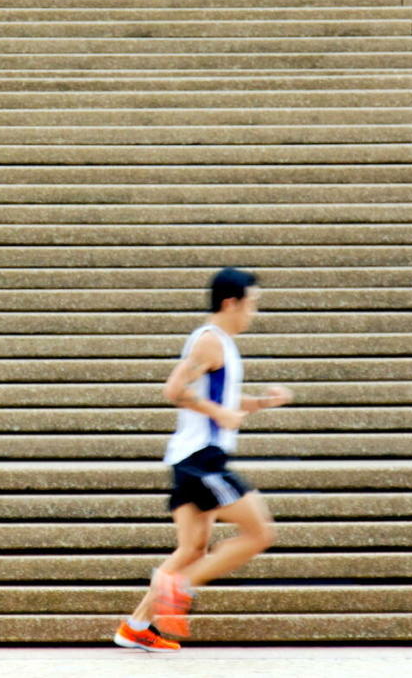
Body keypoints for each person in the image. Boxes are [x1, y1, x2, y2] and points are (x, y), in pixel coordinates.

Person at [113, 267, 294, 653]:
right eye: (253, 305)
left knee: (193, 547)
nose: (254, 314)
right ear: (231, 302)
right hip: (202, 460)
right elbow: (174, 389)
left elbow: (224, 401)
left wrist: (261, 402)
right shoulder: (211, 342)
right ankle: (179, 587)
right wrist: (219, 414)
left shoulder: (222, 344)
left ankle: (137, 625)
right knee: (260, 532)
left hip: (187, 460)